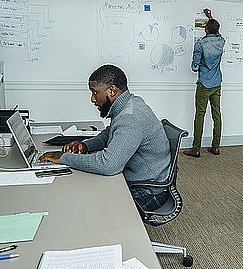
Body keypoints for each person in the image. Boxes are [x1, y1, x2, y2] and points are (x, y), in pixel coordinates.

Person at [39, 64, 171, 211]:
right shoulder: (130, 103)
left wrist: (63, 158)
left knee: (88, 205)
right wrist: (86, 145)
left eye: (95, 92)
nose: (92, 99)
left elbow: (108, 165)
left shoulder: (130, 118)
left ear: (112, 90)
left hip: (149, 191)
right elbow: (111, 133)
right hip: (143, 180)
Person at [183, 8, 225, 158]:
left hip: (204, 84)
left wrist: (201, 65)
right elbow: (216, 31)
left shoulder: (200, 44)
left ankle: (196, 148)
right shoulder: (221, 41)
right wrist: (210, 17)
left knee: (200, 115)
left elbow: (194, 67)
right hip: (217, 83)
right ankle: (215, 147)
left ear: (206, 29)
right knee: (217, 115)